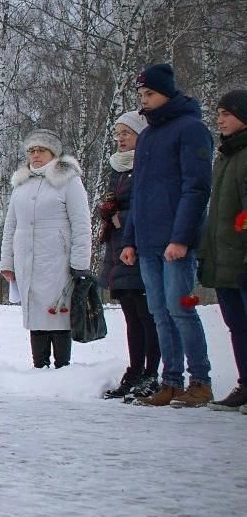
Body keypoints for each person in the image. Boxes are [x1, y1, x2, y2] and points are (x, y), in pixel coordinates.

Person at [120, 63, 214, 408]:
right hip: (146, 241)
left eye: (151, 94)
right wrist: (129, 239)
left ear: (167, 93)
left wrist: (182, 237)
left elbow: (196, 187)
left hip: (176, 240)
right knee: (159, 312)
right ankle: (170, 381)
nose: (145, 101)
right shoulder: (147, 137)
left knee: (181, 309)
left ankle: (200, 380)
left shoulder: (190, 129)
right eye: (142, 95)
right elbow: (139, 193)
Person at [0, 130, 91, 369]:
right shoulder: (21, 183)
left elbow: (81, 223)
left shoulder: (68, 180)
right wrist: (7, 261)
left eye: (41, 150)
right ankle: (39, 365)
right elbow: (11, 224)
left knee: (58, 311)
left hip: (57, 258)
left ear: (53, 153)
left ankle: (62, 365)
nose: (36, 155)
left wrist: (80, 261)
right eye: (32, 151)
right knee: (34, 311)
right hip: (26, 257)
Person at [97, 111, 159, 398]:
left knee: (147, 314)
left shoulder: (149, 164)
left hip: (138, 244)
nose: (121, 139)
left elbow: (148, 203)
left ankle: (151, 372)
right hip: (117, 246)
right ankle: (134, 371)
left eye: (127, 133)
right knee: (131, 315)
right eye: (117, 133)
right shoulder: (117, 167)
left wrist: (120, 216)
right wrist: (107, 211)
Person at [198, 91, 247, 412]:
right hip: (225, 257)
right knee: (237, 324)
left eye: (227, 113)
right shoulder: (226, 155)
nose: (220, 119)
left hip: (242, 257)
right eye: (218, 113)